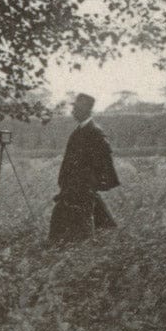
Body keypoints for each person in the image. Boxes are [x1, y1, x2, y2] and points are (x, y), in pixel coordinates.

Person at [48, 94, 119, 244]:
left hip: (84, 187)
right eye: (74, 108)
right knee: (67, 218)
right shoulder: (78, 131)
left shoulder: (95, 132)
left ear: (86, 110)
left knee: (82, 220)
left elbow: (103, 162)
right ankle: (66, 247)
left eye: (77, 108)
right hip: (72, 186)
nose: (73, 111)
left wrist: (91, 183)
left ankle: (82, 248)